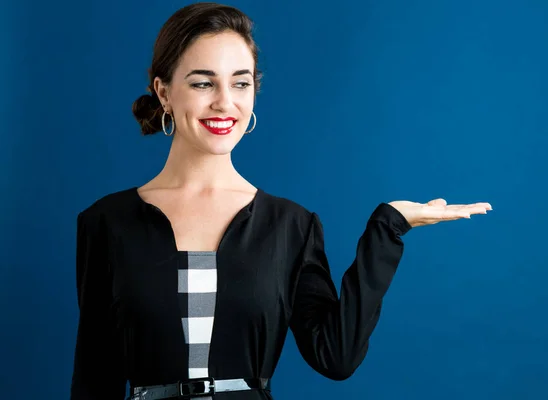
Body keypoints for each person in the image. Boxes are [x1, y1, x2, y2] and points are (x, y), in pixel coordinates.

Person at [69, 3, 492, 400]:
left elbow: (336, 357)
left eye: (240, 82)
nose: (224, 102)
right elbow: (94, 377)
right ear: (163, 92)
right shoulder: (106, 223)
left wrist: (389, 227)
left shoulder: (291, 225)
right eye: (202, 83)